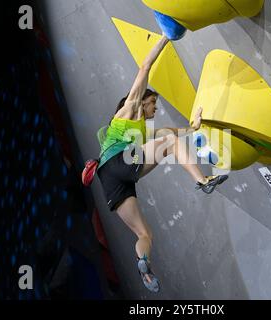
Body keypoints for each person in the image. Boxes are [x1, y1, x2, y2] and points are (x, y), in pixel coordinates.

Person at [96, 35, 228, 292]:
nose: (155, 109)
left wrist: (195, 126)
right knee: (168, 141)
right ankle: (203, 181)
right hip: (121, 159)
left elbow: (177, 133)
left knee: (145, 235)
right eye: (153, 103)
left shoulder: (144, 133)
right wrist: (167, 37)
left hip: (108, 177)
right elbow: (145, 66)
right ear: (142, 101)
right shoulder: (129, 109)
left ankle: (144, 264)